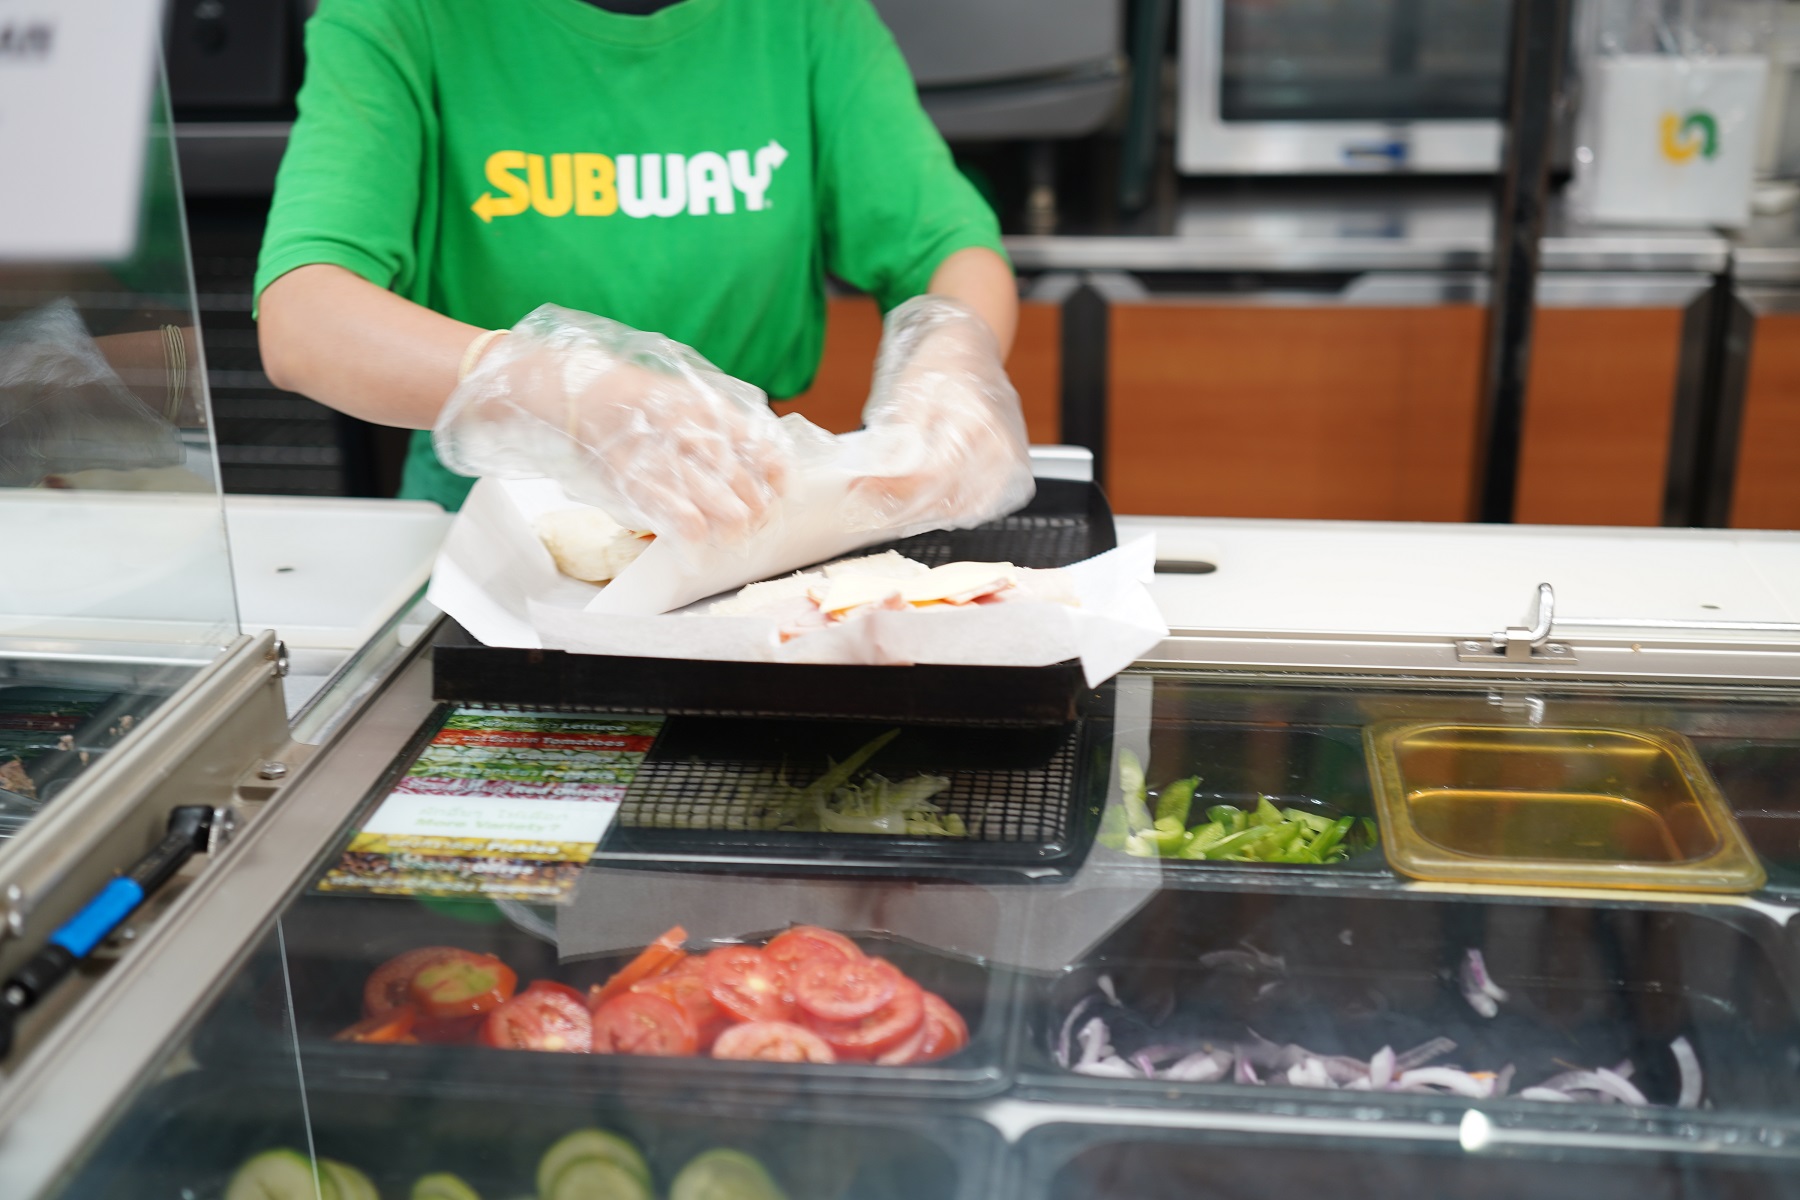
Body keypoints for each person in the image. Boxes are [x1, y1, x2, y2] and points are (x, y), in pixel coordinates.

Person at [255, 0, 1031, 542]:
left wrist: (953, 359)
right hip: (486, 531)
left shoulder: (804, 17)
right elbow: (303, 316)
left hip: (747, 516)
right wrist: (558, 389)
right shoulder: (400, 15)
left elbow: (948, 247)